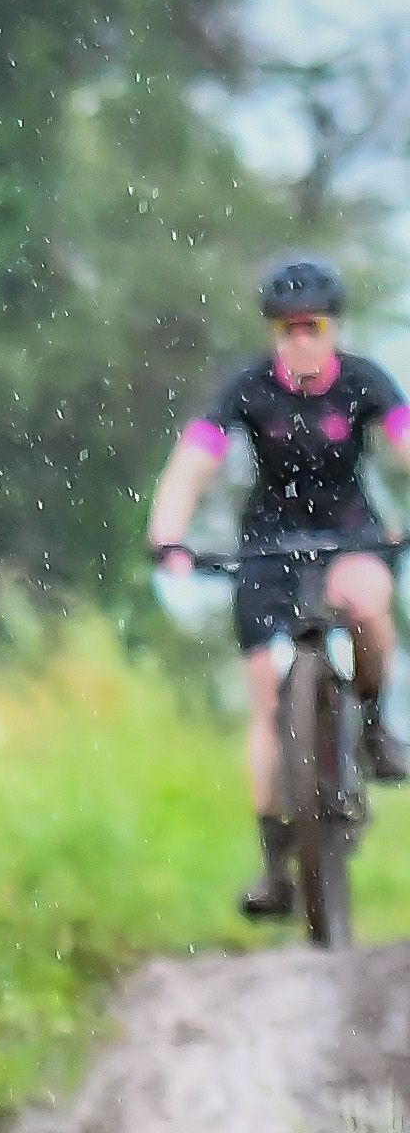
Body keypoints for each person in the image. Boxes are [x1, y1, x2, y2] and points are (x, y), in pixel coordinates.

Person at [149, 252, 410, 918]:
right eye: (287, 328)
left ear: (333, 328)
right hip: (268, 542)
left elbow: (405, 440)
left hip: (350, 532)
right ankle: (274, 864)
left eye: (312, 326)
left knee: (365, 602)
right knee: (267, 694)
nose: (301, 340)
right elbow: (195, 459)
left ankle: (375, 725)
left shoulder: (364, 382)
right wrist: (169, 536)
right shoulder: (248, 389)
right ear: (273, 332)